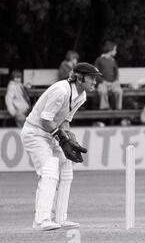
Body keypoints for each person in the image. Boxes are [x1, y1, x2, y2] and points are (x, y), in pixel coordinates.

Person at [20, 63, 102, 231]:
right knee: (49, 170)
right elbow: (45, 119)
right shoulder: (61, 90)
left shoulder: (82, 95)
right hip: (34, 132)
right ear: (80, 78)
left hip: (50, 133)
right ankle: (41, 220)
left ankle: (60, 218)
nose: (95, 82)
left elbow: (64, 121)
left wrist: (71, 140)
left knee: (66, 167)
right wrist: (62, 139)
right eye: (92, 78)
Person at [95, 41, 123, 110]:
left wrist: (115, 81)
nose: (116, 52)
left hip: (113, 83)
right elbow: (96, 73)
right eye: (115, 50)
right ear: (110, 50)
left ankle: (118, 109)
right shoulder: (99, 60)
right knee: (103, 91)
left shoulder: (113, 60)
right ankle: (105, 109)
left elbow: (116, 73)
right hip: (102, 83)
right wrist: (103, 82)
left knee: (119, 91)